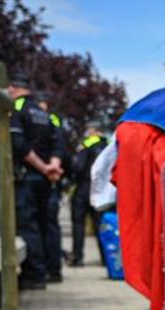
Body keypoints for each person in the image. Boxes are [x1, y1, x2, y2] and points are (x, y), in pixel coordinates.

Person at [7, 72, 62, 290]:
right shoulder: (43, 112)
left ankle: (34, 274)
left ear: (13, 87)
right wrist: (52, 167)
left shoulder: (17, 108)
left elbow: (19, 145)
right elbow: (57, 144)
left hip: (28, 177)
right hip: (46, 179)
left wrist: (42, 166)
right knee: (45, 225)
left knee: (28, 226)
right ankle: (52, 270)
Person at [36, 92, 72, 282]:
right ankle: (52, 268)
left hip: (48, 178)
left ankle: (51, 269)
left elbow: (60, 149)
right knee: (49, 225)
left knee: (47, 225)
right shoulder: (52, 121)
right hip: (52, 176)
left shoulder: (50, 121)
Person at [68, 121, 109, 267]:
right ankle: (106, 258)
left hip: (84, 187)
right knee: (100, 225)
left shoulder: (88, 143)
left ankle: (77, 257)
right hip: (101, 190)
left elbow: (78, 167)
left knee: (78, 224)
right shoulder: (108, 145)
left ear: (94, 131)